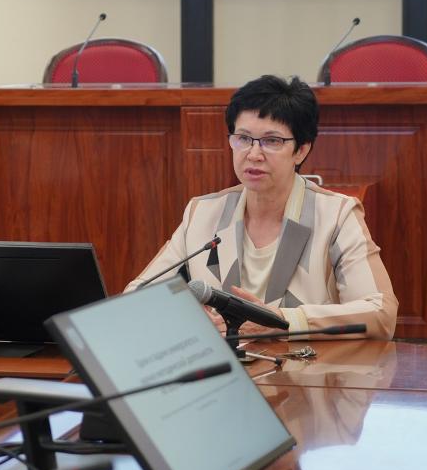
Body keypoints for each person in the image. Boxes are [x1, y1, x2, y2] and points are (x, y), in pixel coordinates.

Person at [125, 75, 397, 339]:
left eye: (272, 141)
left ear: (301, 150)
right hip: (223, 365)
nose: (254, 154)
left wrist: (281, 322)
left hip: (303, 367)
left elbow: (380, 313)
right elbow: (135, 298)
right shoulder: (202, 213)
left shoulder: (336, 215)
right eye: (243, 138)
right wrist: (187, 317)